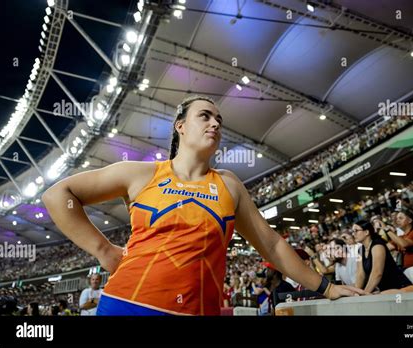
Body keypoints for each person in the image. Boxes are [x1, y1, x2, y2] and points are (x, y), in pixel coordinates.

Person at [43, 95, 364, 316]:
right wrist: (103, 250)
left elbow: (271, 244)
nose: (215, 124)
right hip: (128, 304)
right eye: (205, 116)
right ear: (180, 126)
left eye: (219, 120)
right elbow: (59, 195)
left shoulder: (229, 184)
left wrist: (326, 287)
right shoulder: (140, 172)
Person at [353, 220, 413, 293]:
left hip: (401, 288)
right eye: (353, 231)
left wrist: (365, 294)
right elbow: (360, 275)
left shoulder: (377, 245)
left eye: (356, 231)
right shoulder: (360, 250)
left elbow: (377, 273)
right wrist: (356, 293)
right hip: (385, 291)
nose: (353, 234)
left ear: (366, 232)